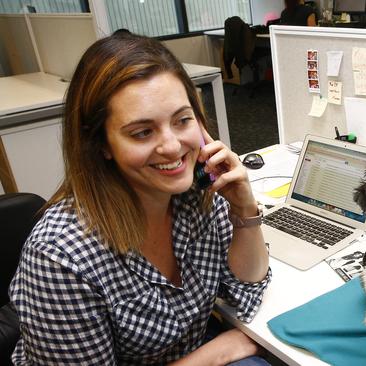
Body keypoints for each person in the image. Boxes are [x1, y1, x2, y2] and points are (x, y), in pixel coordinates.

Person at [9, 31, 271, 365]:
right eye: (142, 132)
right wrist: (217, 353)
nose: (173, 147)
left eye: (182, 120)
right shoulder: (61, 256)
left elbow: (246, 290)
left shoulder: (195, 196)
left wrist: (244, 208)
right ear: (101, 145)